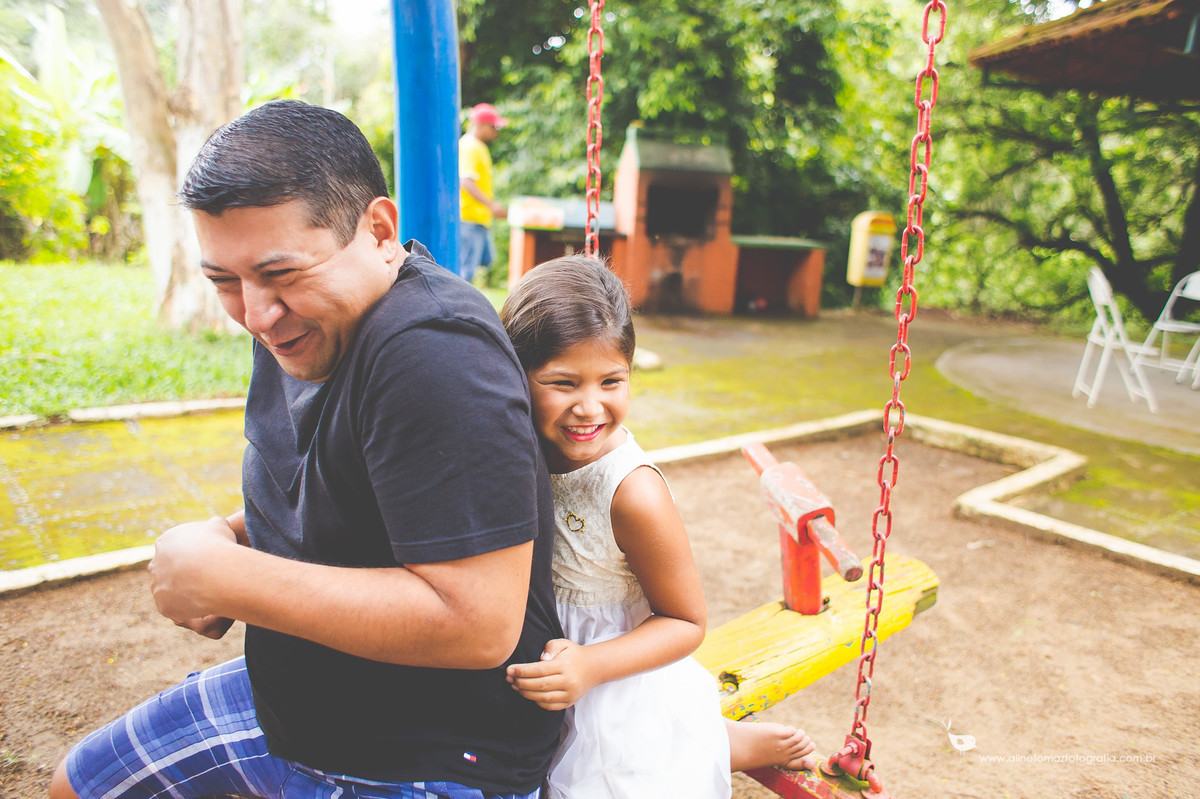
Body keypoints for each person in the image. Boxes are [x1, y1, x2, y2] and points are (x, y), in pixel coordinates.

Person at [49, 100, 563, 799]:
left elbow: (478, 621)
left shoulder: (435, 355)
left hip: (418, 754)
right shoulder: (305, 325)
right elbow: (351, 483)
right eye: (224, 280)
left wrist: (232, 580)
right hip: (297, 696)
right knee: (76, 785)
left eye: (279, 273)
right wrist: (229, 539)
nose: (255, 313)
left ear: (379, 231)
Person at [500, 255, 818, 798]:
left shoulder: (632, 493)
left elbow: (686, 621)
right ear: (514, 374)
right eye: (563, 382)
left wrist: (593, 667)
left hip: (618, 678)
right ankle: (711, 736)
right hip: (552, 656)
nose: (589, 407)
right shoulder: (518, 444)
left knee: (624, 772)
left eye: (611, 381)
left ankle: (719, 741)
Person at [459, 102, 508, 283]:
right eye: (493, 126)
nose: (496, 131)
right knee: (465, 272)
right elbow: (465, 181)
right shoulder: (471, 147)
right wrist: (491, 205)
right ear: (480, 124)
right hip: (469, 218)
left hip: (477, 218)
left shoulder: (477, 147)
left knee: (480, 263)